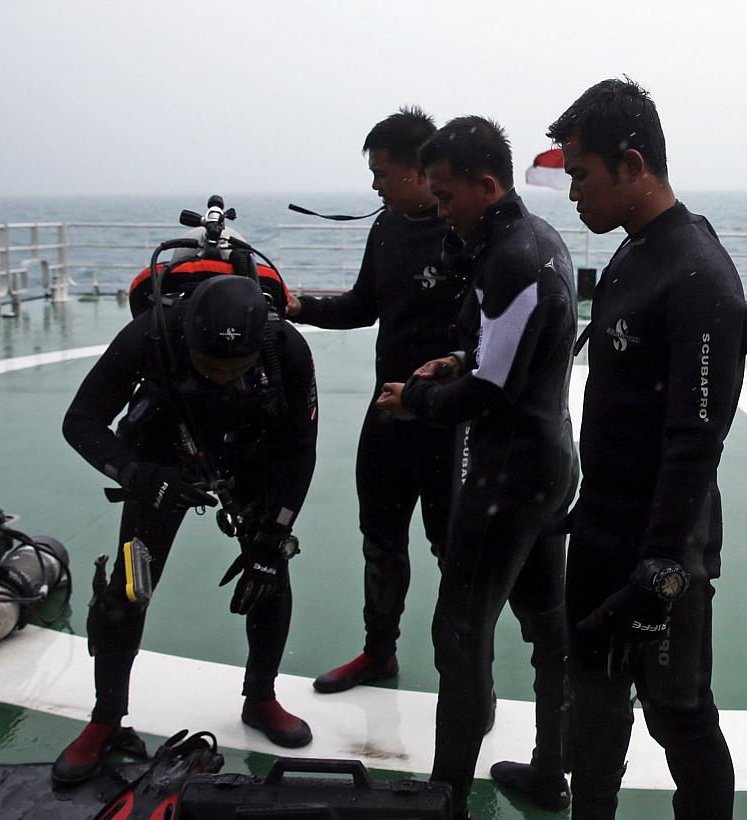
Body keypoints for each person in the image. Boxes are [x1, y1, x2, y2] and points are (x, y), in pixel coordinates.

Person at [546, 78, 747, 820]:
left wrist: (661, 563)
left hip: (667, 544)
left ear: (632, 165)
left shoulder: (698, 277)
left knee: (679, 714)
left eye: (581, 173)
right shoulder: (634, 254)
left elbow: (697, 438)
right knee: (593, 700)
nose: (572, 192)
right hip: (603, 524)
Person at [374, 115, 575, 815]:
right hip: (552, 466)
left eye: (446, 194)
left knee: (459, 631)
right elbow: (512, 353)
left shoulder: (511, 257)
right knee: (548, 626)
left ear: (486, 186)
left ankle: (448, 797)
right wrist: (457, 360)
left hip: (509, 477)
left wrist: (418, 398)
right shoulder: (542, 241)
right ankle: (551, 772)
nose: (439, 207)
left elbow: (490, 393)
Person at [56, 272, 319, 786]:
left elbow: (299, 450)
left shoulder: (285, 345)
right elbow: (80, 420)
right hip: (162, 460)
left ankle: (261, 697)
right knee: (127, 593)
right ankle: (106, 719)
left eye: (234, 367)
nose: (220, 376)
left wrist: (273, 535)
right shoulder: (150, 333)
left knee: (269, 575)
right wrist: (139, 475)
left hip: (253, 460)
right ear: (188, 337)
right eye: (208, 365)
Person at [287, 107, 464, 694]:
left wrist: (436, 395)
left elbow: (491, 340)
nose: (374, 186)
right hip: (388, 410)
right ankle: (377, 652)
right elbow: (363, 305)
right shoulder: (386, 228)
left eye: (382, 174)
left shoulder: (465, 233)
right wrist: (298, 305)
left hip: (446, 419)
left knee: (452, 549)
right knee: (380, 538)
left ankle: (464, 678)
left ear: (421, 172)